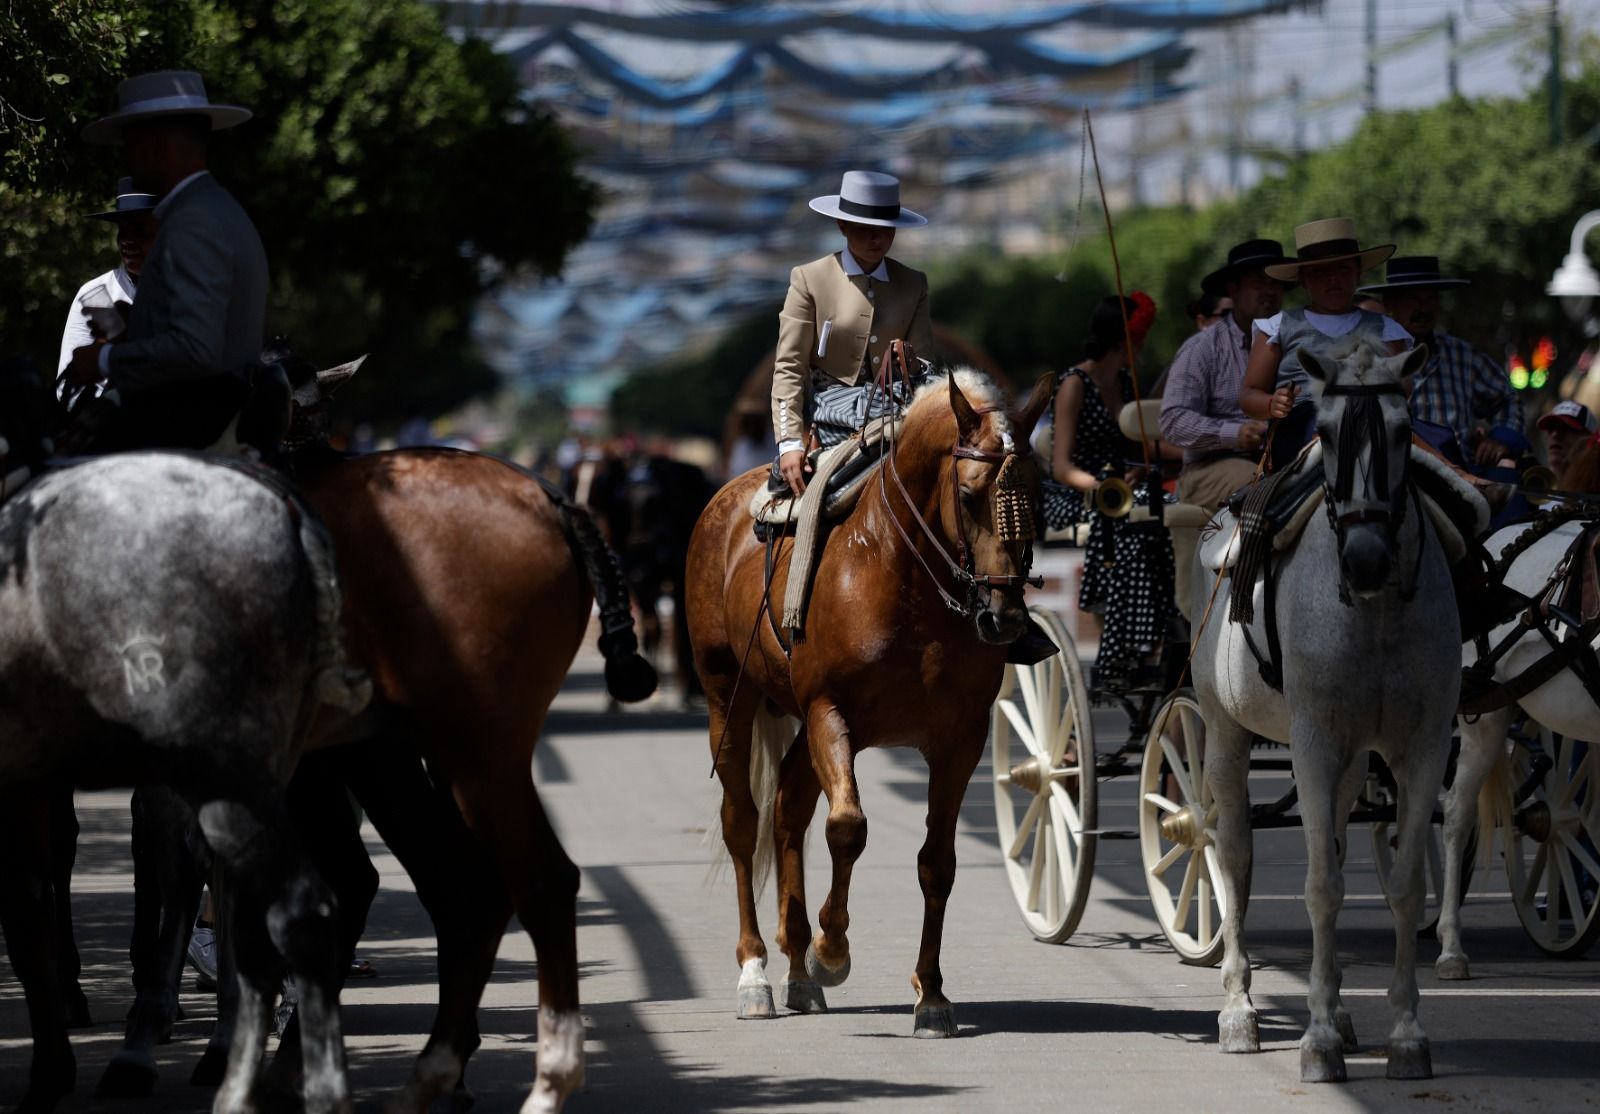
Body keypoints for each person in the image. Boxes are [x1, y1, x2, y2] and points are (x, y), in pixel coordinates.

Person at [61, 70, 265, 452]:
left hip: (180, 435)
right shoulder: (219, 210)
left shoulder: (192, 223)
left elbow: (194, 350)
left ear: (155, 148)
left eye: (130, 147)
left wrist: (104, 358)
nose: (128, 161)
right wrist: (133, 334)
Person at [1038, 292, 1175, 688]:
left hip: (1124, 486)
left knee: (1164, 508)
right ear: (1127, 338)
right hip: (1077, 493)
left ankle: (1160, 623)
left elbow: (1144, 446)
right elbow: (1062, 466)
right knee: (1124, 517)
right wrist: (1105, 487)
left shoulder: (1127, 383)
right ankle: (1122, 642)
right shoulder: (1073, 384)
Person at [771, 170, 932, 496]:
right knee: (805, 505)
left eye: (885, 231)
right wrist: (788, 443)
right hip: (830, 424)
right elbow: (789, 366)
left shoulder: (914, 283)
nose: (876, 239)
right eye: (865, 230)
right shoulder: (808, 279)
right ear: (841, 226)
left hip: (898, 415)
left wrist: (912, 363)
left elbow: (927, 363)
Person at [1160, 239, 1294, 618]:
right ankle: (1249, 599)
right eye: (1258, 281)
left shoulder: (1298, 340)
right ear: (1233, 290)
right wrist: (1235, 434)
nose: (1269, 290)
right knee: (1259, 485)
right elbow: (1172, 421)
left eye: (1275, 282)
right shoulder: (1202, 349)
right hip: (1212, 468)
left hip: (1286, 462)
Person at [1238, 218, 1411, 466]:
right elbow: (1249, 394)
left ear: (1358, 272)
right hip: (1301, 430)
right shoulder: (1277, 327)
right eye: (1319, 272)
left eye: (1342, 269)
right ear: (1303, 280)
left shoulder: (1386, 328)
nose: (1333, 280)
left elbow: (1403, 388)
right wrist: (1271, 403)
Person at [1358, 256, 1526, 467]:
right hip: (1396, 474)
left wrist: (1502, 439)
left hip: (1463, 482)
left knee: (1509, 482)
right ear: (1391, 303)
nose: (1424, 308)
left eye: (1430, 299)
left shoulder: (1463, 355)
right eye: (1413, 299)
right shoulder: (1370, 360)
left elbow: (1507, 399)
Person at [55, 177, 159, 411]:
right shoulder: (95, 294)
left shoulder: (183, 290)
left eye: (140, 230)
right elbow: (68, 387)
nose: (126, 240)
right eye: (122, 230)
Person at [1539, 400, 1596, 477]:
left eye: (1566, 428)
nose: (1555, 434)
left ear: (1589, 441)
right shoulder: (1534, 483)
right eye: (1551, 428)